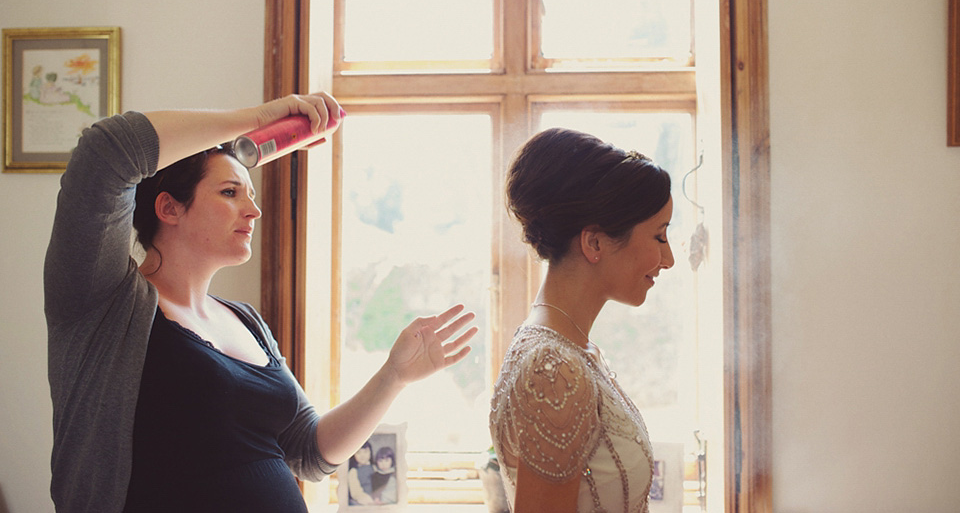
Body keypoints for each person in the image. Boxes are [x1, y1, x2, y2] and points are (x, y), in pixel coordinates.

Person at [43, 92, 477, 513]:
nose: (254, 211)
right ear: (169, 208)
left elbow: (310, 453)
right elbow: (105, 154)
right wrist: (257, 118)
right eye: (231, 192)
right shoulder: (103, 303)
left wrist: (393, 376)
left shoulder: (244, 320)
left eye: (250, 194)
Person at [488, 127, 675, 513]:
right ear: (595, 243)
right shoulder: (553, 369)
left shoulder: (570, 349)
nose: (668, 258)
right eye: (659, 237)